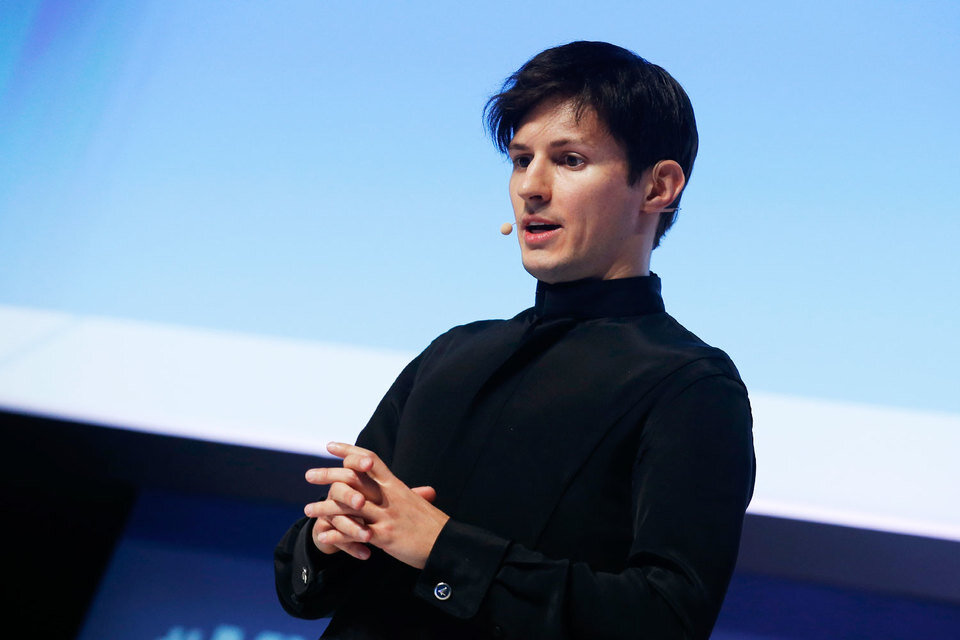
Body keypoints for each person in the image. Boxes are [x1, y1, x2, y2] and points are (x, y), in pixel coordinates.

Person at [275, 41, 755, 639]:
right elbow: (302, 589)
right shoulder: (453, 353)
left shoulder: (691, 387)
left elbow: (664, 619)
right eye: (521, 159)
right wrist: (328, 539)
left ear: (659, 187)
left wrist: (442, 549)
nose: (531, 186)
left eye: (570, 160)